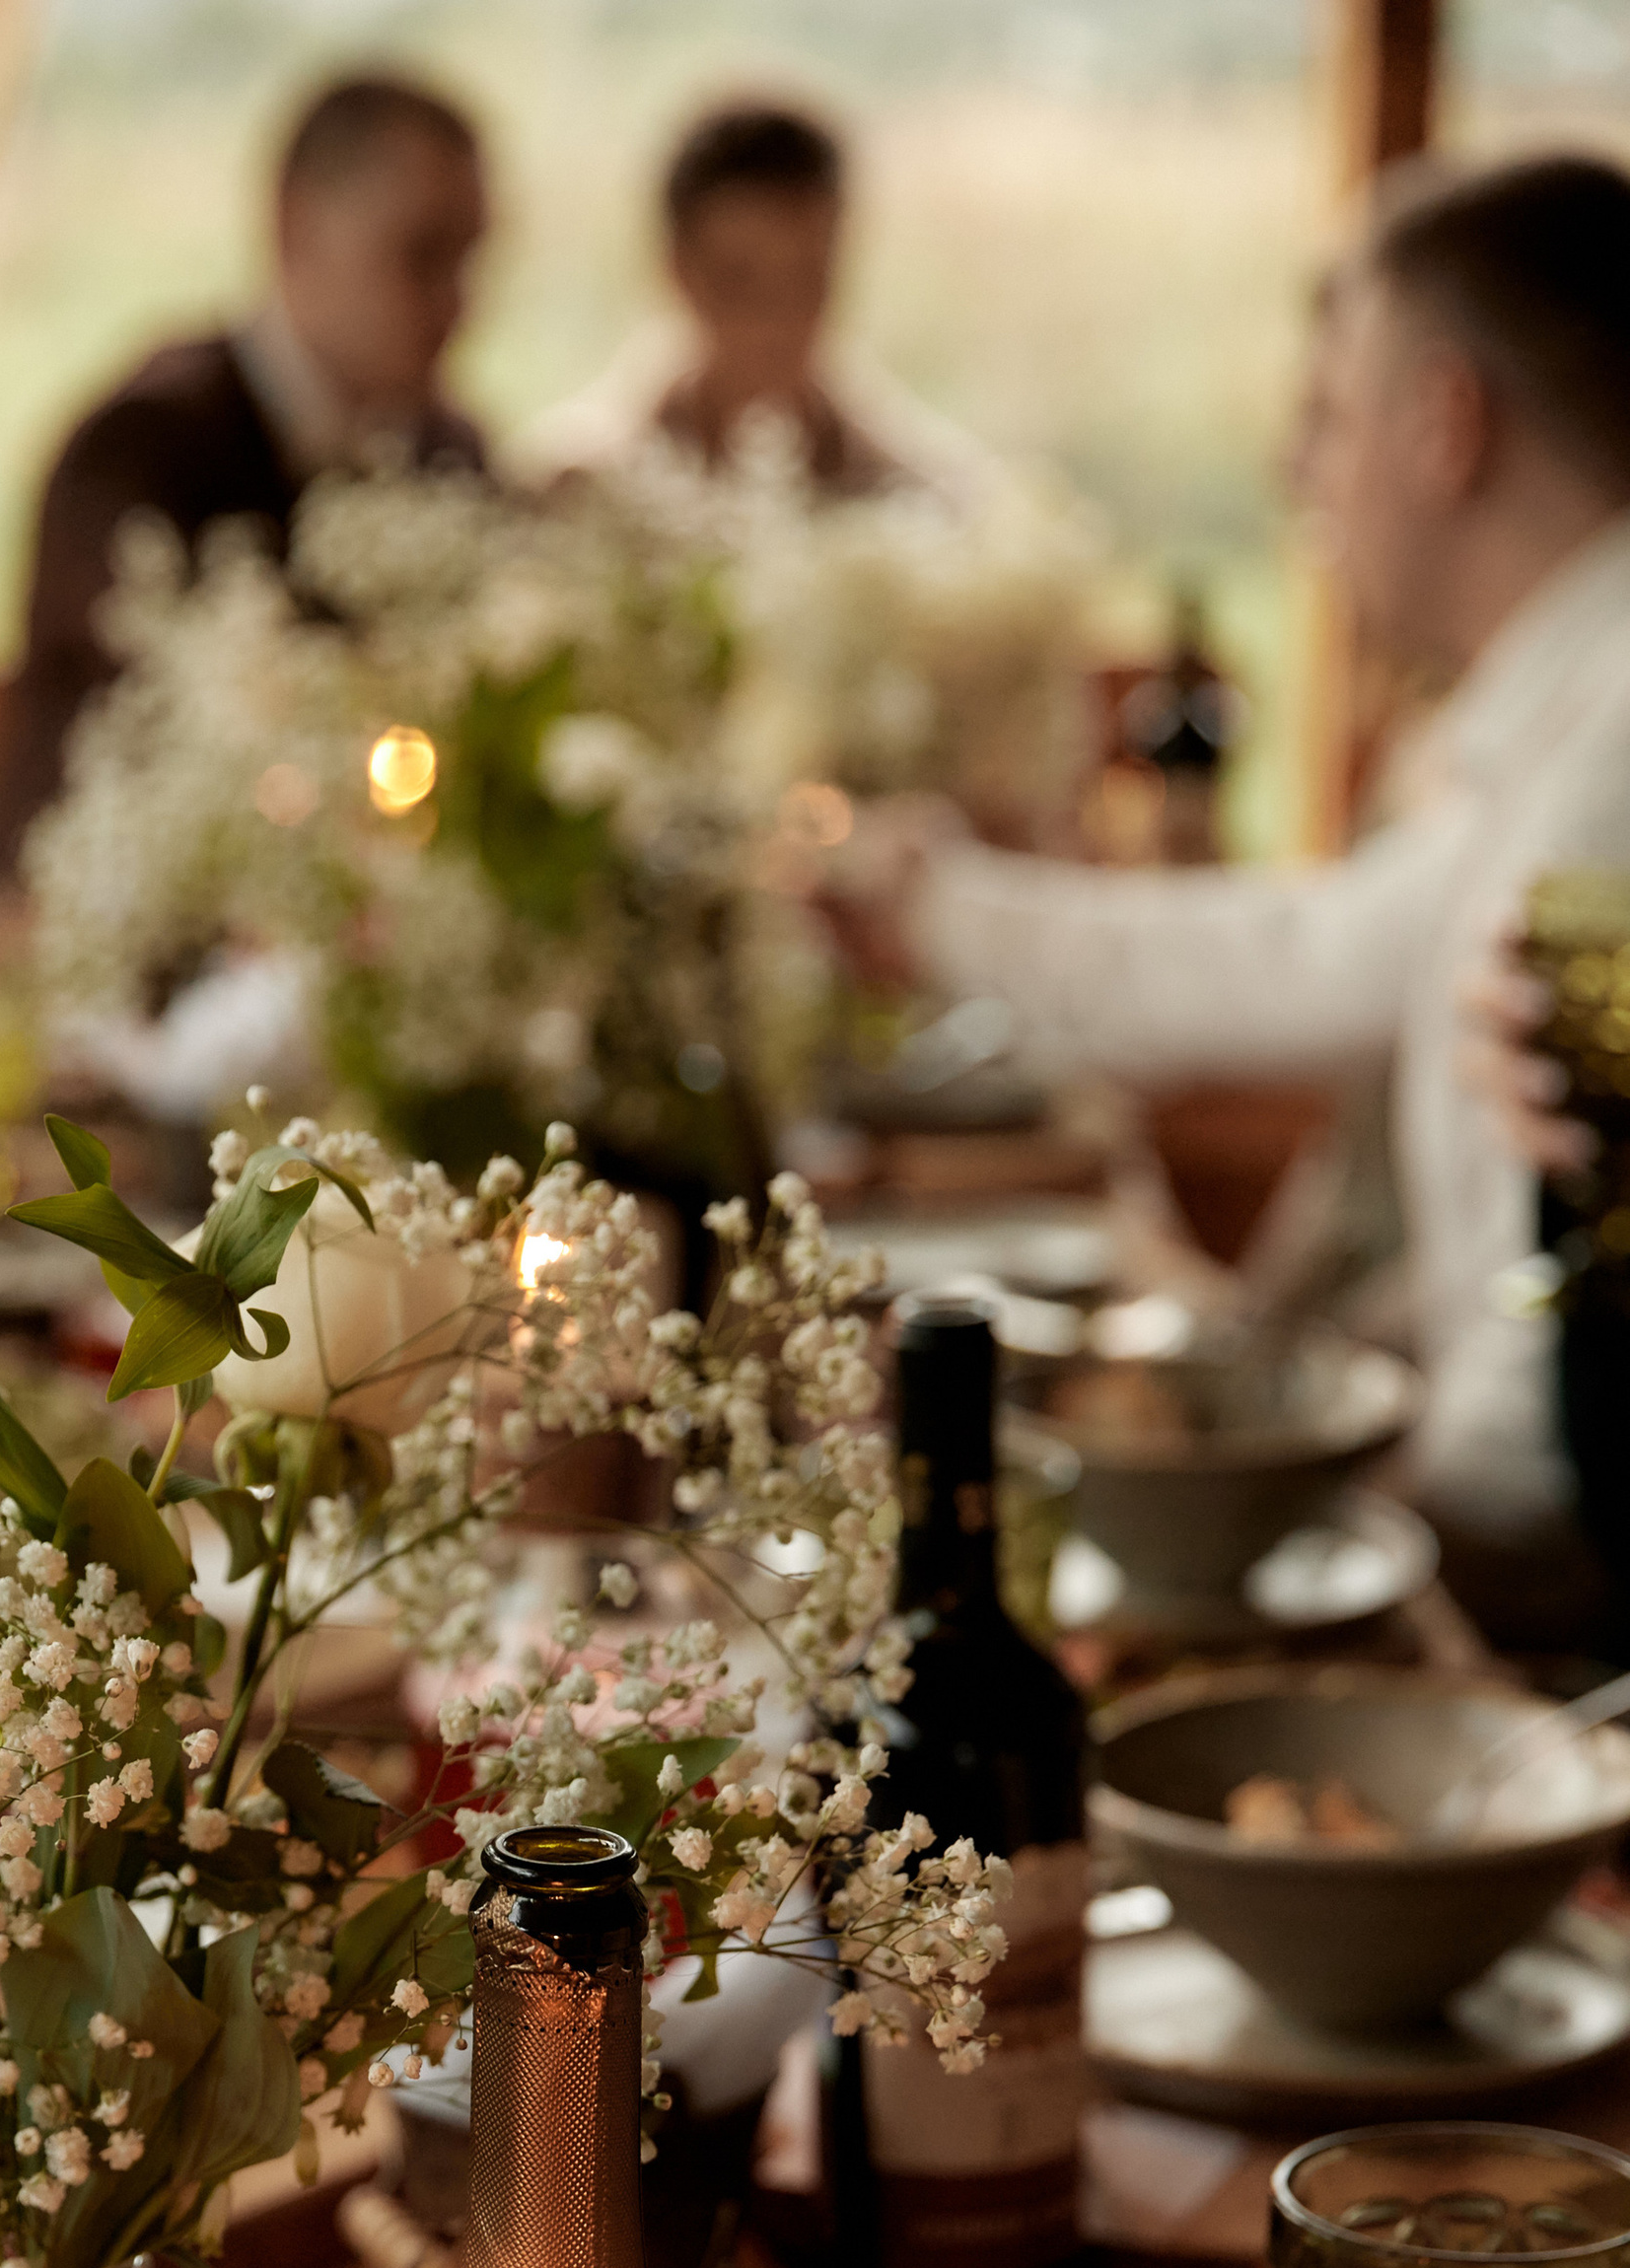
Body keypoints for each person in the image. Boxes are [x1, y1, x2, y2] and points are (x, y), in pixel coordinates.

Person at [819, 150, 1630, 1634]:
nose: (1295, 471)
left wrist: (1390, 1538)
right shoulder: (1566, 707)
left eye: (1330, 413)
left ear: (1444, 425)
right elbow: (1326, 953)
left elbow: (1309, 969)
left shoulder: (1612, 734)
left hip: (1543, 1595)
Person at [0, 73, 489, 860]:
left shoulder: (451, 459)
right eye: (420, 256)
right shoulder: (140, 453)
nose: (457, 304)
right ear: (296, 227)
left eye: (470, 260)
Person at [519, 100, 995, 505]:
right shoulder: (574, 489)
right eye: (739, 282)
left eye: (807, 280)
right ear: (678, 271)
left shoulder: (926, 497)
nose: (777, 320)